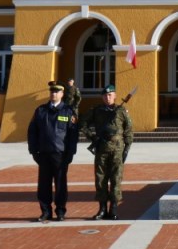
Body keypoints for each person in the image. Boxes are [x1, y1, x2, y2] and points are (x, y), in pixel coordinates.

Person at [79, 85, 133, 220]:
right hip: (101, 149)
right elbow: (83, 123)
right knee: (100, 178)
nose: (107, 98)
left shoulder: (121, 111)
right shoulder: (96, 110)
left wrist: (127, 148)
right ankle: (102, 209)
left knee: (116, 178)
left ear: (114, 96)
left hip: (117, 149)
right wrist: (92, 137)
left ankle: (113, 208)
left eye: (110, 95)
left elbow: (128, 130)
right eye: (105, 95)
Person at [27, 83, 79, 222]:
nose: (53, 94)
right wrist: (33, 151)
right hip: (44, 153)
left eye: (56, 92)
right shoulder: (41, 110)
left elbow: (73, 134)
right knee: (44, 185)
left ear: (62, 94)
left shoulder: (68, 111)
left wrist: (71, 153)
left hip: (60, 154)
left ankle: (60, 211)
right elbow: (32, 131)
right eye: (52, 92)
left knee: (61, 185)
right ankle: (45, 211)